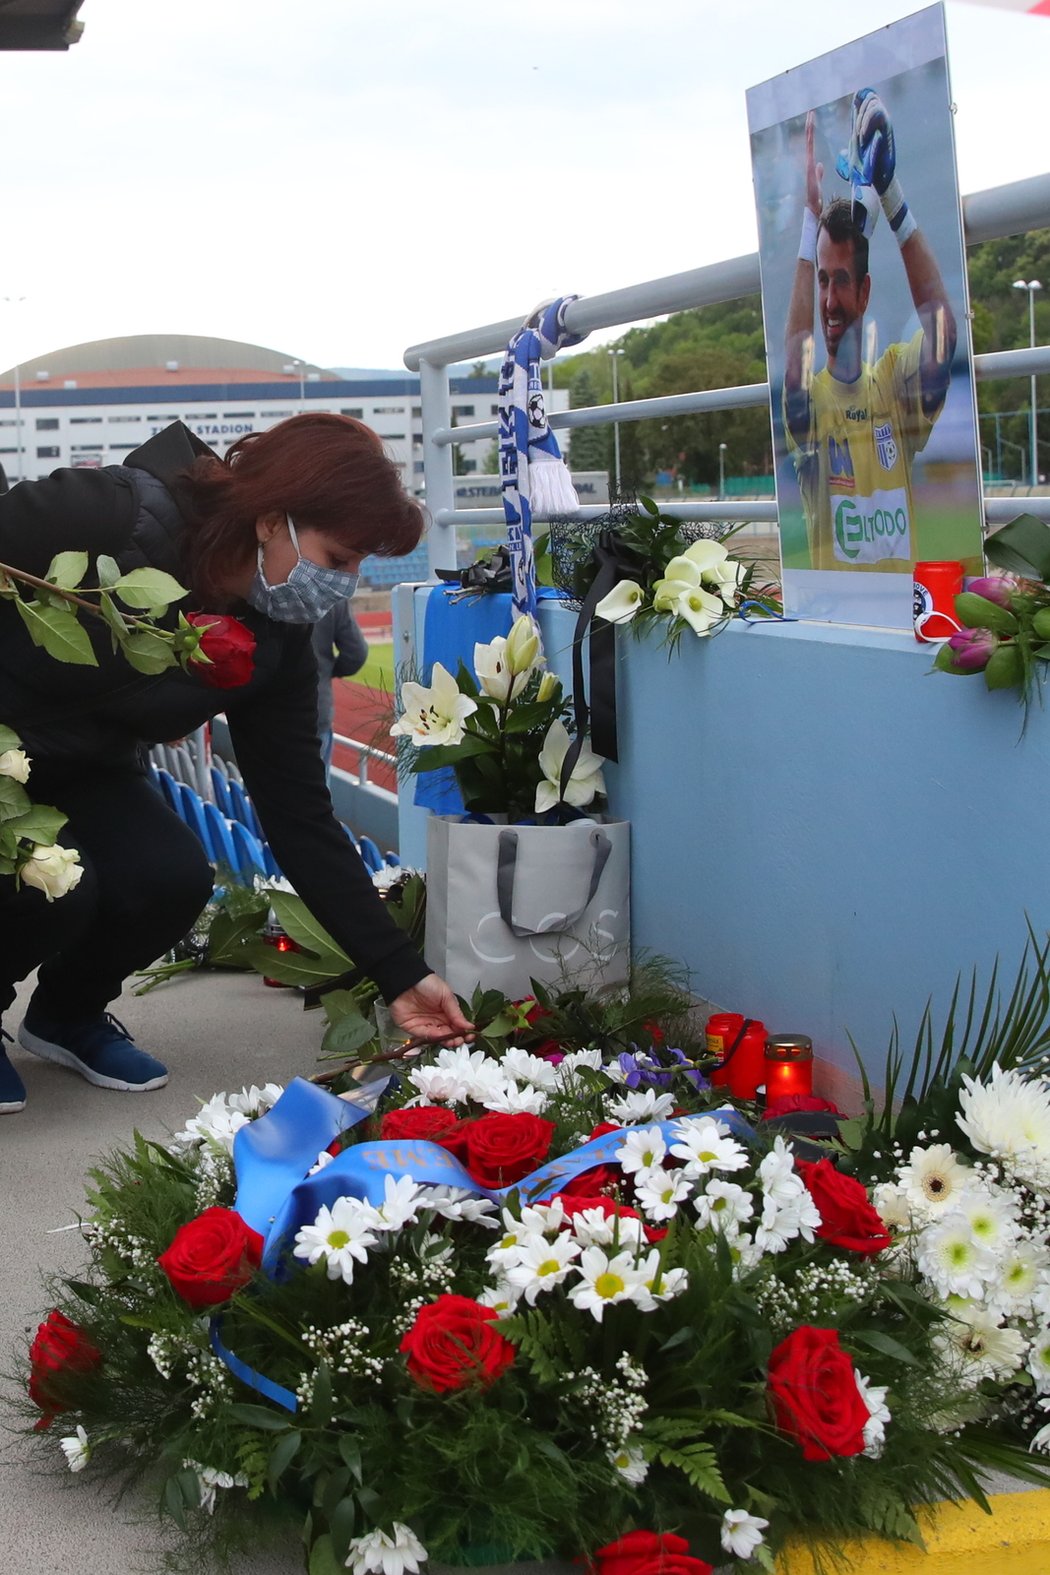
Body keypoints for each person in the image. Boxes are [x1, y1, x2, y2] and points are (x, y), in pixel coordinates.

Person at [0, 413, 472, 1115]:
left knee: (172, 876)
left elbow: (298, 815)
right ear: (272, 517)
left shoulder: (280, 636)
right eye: (339, 559)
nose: (344, 585)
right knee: (57, 888)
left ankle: (65, 1015)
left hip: (85, 765)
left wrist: (400, 973)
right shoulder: (111, 515)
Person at [783, 90, 957, 572]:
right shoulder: (812, 402)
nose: (829, 301)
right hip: (837, 621)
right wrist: (808, 222)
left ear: (864, 292)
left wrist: (890, 192)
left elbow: (944, 329)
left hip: (905, 619)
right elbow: (795, 361)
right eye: (822, 281)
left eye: (840, 282)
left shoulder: (893, 379)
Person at [311, 598, 368, 776]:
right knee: (314, 795)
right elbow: (356, 653)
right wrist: (326, 671)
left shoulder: (260, 584)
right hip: (315, 711)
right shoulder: (329, 593)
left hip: (263, 713)